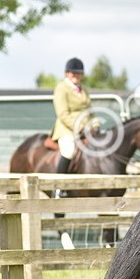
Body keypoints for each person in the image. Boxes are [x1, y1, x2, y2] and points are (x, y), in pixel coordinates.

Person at [50, 57, 93, 198]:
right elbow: (63, 114)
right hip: (67, 129)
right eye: (73, 73)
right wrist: (79, 127)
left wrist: (96, 125)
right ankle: (58, 188)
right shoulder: (61, 88)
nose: (76, 75)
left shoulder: (84, 90)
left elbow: (90, 111)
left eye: (78, 73)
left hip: (87, 129)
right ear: (67, 73)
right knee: (69, 150)